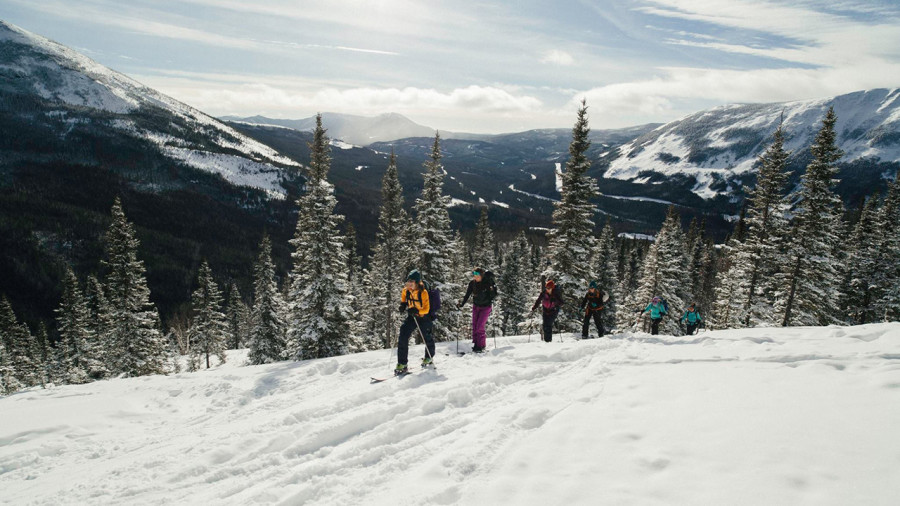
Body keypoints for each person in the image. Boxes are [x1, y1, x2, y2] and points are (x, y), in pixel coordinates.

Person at [395, 270, 435, 374]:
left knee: (426, 337)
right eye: (408, 282)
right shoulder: (406, 290)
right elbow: (403, 299)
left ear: (417, 283)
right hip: (412, 317)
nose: (409, 284)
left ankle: (429, 357)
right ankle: (402, 363)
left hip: (424, 317)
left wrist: (417, 311)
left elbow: (426, 309)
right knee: (403, 333)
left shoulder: (423, 292)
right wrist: (402, 305)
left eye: (411, 282)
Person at [457, 267, 497, 353]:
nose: (475, 277)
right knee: (475, 326)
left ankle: (481, 345)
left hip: (486, 307)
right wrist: (462, 304)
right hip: (476, 306)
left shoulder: (487, 283)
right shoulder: (472, 283)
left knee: (480, 327)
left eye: (477, 275)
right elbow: (467, 294)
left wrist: (491, 290)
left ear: (482, 276)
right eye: (474, 275)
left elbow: (494, 295)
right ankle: (476, 344)